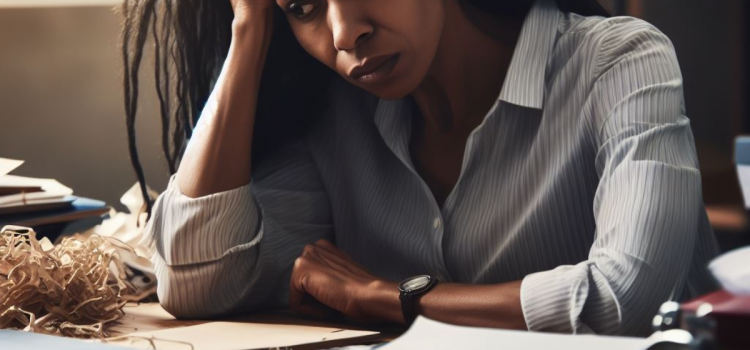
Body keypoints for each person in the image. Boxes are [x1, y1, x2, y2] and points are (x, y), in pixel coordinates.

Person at [121, 0, 719, 336]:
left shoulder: (618, 61)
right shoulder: (339, 121)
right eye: (303, 5)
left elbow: (628, 297)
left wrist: (390, 296)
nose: (343, 31)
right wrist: (249, 30)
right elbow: (197, 282)